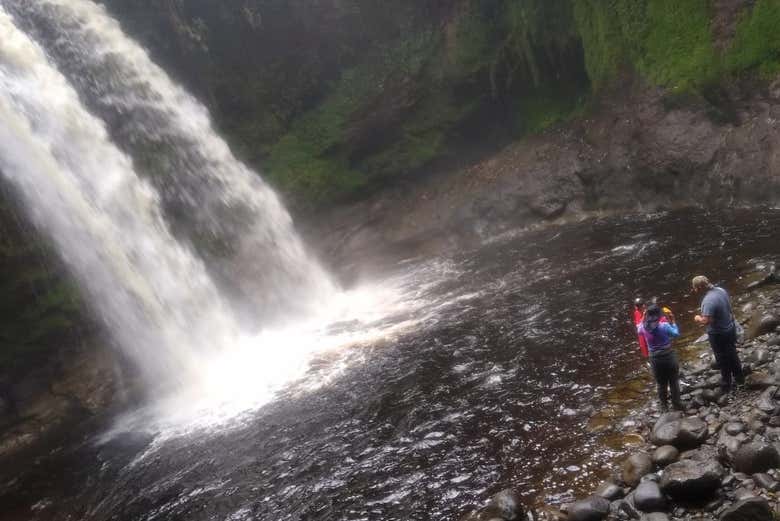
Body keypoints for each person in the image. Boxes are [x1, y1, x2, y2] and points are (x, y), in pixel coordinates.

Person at [692, 275, 744, 394]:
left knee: (721, 358)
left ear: (699, 288)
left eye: (694, 288)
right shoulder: (721, 290)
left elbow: (707, 321)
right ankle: (740, 378)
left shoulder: (708, 301)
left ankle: (726, 384)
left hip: (718, 334)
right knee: (732, 353)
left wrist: (697, 318)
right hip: (730, 327)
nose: (694, 290)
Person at [638, 304, 683, 412]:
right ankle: (677, 404)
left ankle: (664, 406)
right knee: (673, 381)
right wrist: (673, 321)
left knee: (661, 383)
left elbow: (638, 330)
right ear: (658, 316)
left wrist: (644, 316)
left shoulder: (643, 328)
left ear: (647, 315)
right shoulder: (664, 326)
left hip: (655, 359)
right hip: (668, 356)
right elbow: (676, 334)